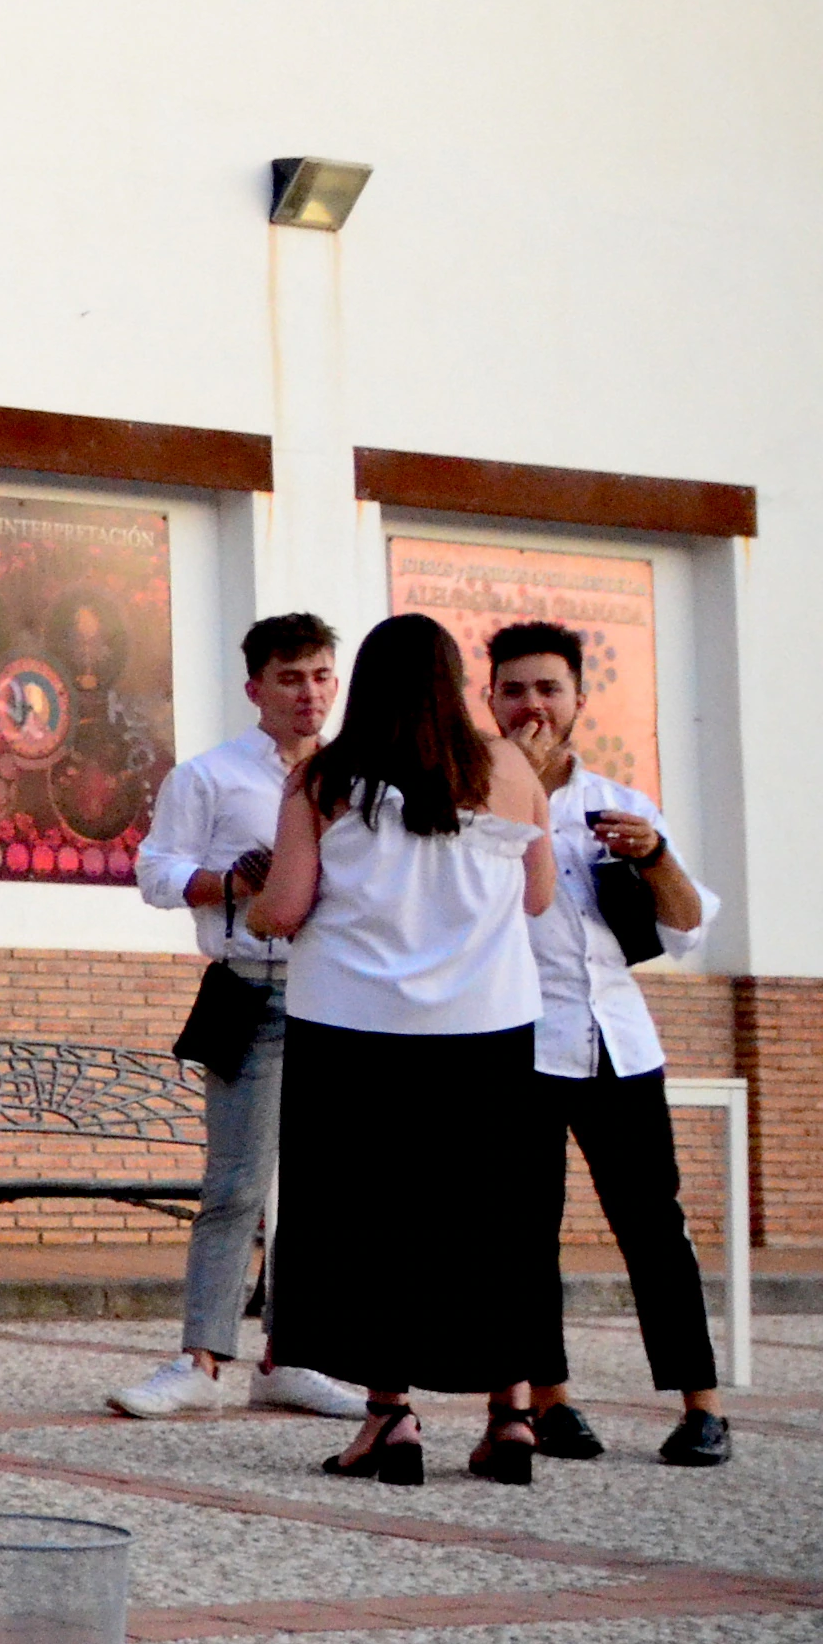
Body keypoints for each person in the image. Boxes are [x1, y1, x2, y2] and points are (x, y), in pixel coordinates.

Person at [247, 611, 558, 1485]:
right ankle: (510, 1417)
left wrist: (253, 904)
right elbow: (535, 900)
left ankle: (390, 1419)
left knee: (368, 1224)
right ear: (455, 679)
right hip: (489, 1031)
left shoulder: (323, 778)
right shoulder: (505, 769)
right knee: (495, 1226)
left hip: (354, 1033)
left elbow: (288, 905)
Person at [485, 621, 731, 1470]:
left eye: (549, 689)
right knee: (525, 1232)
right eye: (514, 689)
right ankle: (551, 1403)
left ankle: (701, 1406)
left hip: (618, 1041)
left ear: (580, 701)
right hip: (517, 1042)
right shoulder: (470, 801)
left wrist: (655, 854)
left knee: (654, 1226)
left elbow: (689, 924)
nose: (533, 706)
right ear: (490, 700)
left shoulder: (621, 802)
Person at [112, 615, 365, 1422]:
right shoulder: (211, 777)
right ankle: (200, 1360)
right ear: (255, 688)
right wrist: (227, 883)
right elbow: (155, 872)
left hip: (343, 999)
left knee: (325, 1191)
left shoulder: (359, 781)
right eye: (290, 678)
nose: (310, 693)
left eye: (322, 675)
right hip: (253, 988)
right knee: (236, 1185)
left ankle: (292, 1356)